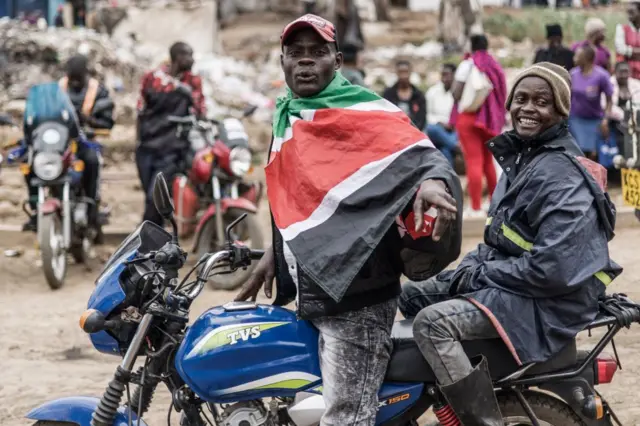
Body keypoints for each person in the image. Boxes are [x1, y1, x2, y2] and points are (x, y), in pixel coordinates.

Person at [235, 14, 462, 426]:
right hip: (314, 293)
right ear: (282, 61)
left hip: (357, 300)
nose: (305, 62)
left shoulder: (363, 110)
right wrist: (279, 247)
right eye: (295, 54)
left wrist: (430, 184)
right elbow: (305, 199)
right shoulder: (289, 116)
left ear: (336, 60)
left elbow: (421, 155)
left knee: (346, 417)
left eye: (317, 53)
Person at [400, 62, 621, 424]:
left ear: (560, 111)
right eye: (521, 99)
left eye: (541, 102)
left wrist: (478, 275)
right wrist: (472, 268)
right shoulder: (525, 159)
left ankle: (480, 419)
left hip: (549, 301)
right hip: (521, 285)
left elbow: (554, 268)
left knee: (432, 324)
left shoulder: (563, 176)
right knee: (411, 295)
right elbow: (501, 240)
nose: (528, 108)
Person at [23, 55, 113, 235]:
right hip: (58, 143)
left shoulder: (98, 91)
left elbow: (107, 121)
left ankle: (91, 210)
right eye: (72, 79)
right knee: (30, 163)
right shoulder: (56, 89)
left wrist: (90, 121)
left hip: (82, 142)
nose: (75, 83)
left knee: (92, 162)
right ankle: (35, 208)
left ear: (86, 75)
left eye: (78, 79)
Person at [136, 41, 206, 227]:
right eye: (187, 55)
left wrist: (189, 94)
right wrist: (139, 141)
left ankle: (146, 238)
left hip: (172, 148)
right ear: (177, 57)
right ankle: (158, 241)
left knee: (155, 195)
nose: (191, 60)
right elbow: (140, 109)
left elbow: (200, 110)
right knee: (151, 197)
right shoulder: (152, 78)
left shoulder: (192, 81)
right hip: (147, 146)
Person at [450, 34, 507, 217]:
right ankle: (494, 202)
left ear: (471, 46)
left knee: (473, 161)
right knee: (488, 161)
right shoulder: (494, 65)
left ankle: (475, 207)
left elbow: (456, 93)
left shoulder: (467, 64)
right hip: (489, 121)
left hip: (468, 118)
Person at [569, 44, 613, 161]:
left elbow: (609, 100)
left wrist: (605, 120)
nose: (574, 58)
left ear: (587, 58)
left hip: (594, 121)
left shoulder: (601, 76)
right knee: (578, 155)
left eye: (577, 56)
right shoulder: (572, 74)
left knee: (593, 157)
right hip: (575, 121)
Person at [425, 63, 458, 166]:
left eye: (448, 75)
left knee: (444, 149)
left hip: (453, 129)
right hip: (437, 128)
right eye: (443, 75)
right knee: (431, 128)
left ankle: (450, 177)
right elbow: (428, 114)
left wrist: (451, 124)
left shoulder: (459, 92)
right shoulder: (432, 92)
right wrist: (439, 122)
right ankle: (455, 146)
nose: (445, 78)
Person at [608, 61, 640, 158]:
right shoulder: (609, 83)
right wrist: (625, 116)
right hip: (614, 125)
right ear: (615, 71)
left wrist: (632, 118)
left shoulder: (636, 84)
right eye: (621, 72)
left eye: (626, 71)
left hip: (635, 123)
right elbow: (607, 106)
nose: (624, 75)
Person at [383, 60, 427, 130]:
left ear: (410, 73)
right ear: (396, 73)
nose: (403, 75)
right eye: (401, 72)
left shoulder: (419, 95)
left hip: (414, 132)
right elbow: (385, 117)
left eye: (406, 72)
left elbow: (421, 119)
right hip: (393, 131)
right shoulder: (388, 94)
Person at [615, 2, 640, 80]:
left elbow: (625, 49)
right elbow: (620, 49)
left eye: (632, 12)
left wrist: (630, 51)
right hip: (627, 71)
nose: (629, 15)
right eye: (628, 12)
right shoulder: (622, 28)